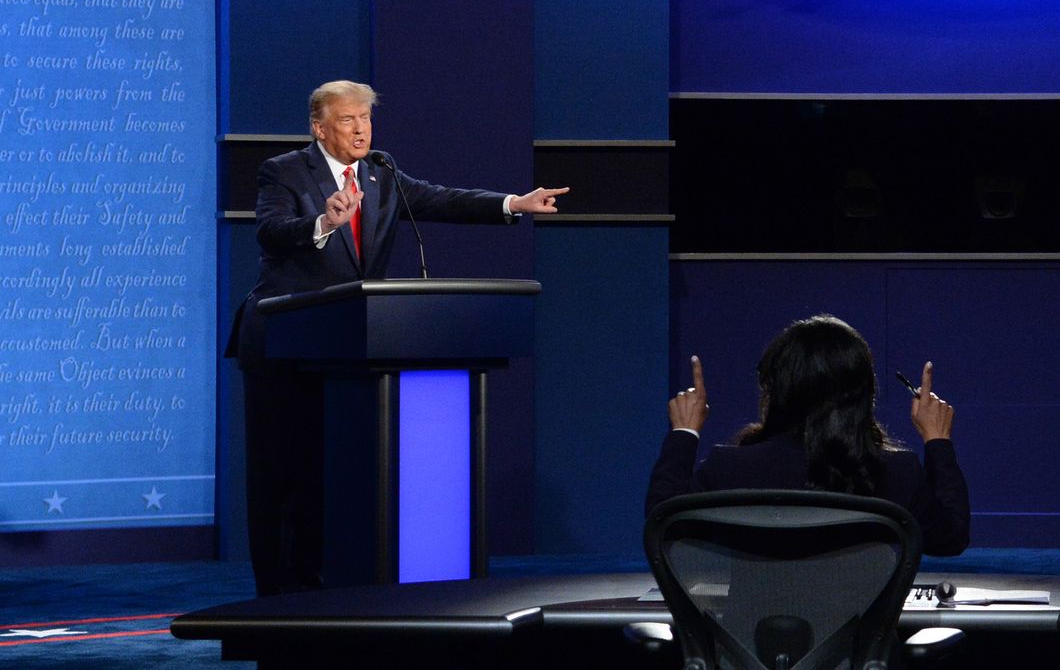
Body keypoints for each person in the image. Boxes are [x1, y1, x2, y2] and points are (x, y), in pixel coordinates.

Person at [226, 79, 570, 595]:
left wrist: (513, 203)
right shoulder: (284, 171)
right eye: (348, 120)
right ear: (320, 128)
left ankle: (334, 591)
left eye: (365, 119)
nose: (361, 129)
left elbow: (441, 199)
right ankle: (279, 601)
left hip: (348, 351)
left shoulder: (381, 172)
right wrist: (322, 220)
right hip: (284, 347)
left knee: (333, 481)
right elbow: (271, 232)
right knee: (284, 480)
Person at [646, 315, 970, 556]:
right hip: (861, 646)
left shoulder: (729, 468)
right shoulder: (899, 474)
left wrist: (684, 432)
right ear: (863, 395)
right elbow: (950, 538)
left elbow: (661, 526)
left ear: (774, 391)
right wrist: (937, 440)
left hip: (748, 645)